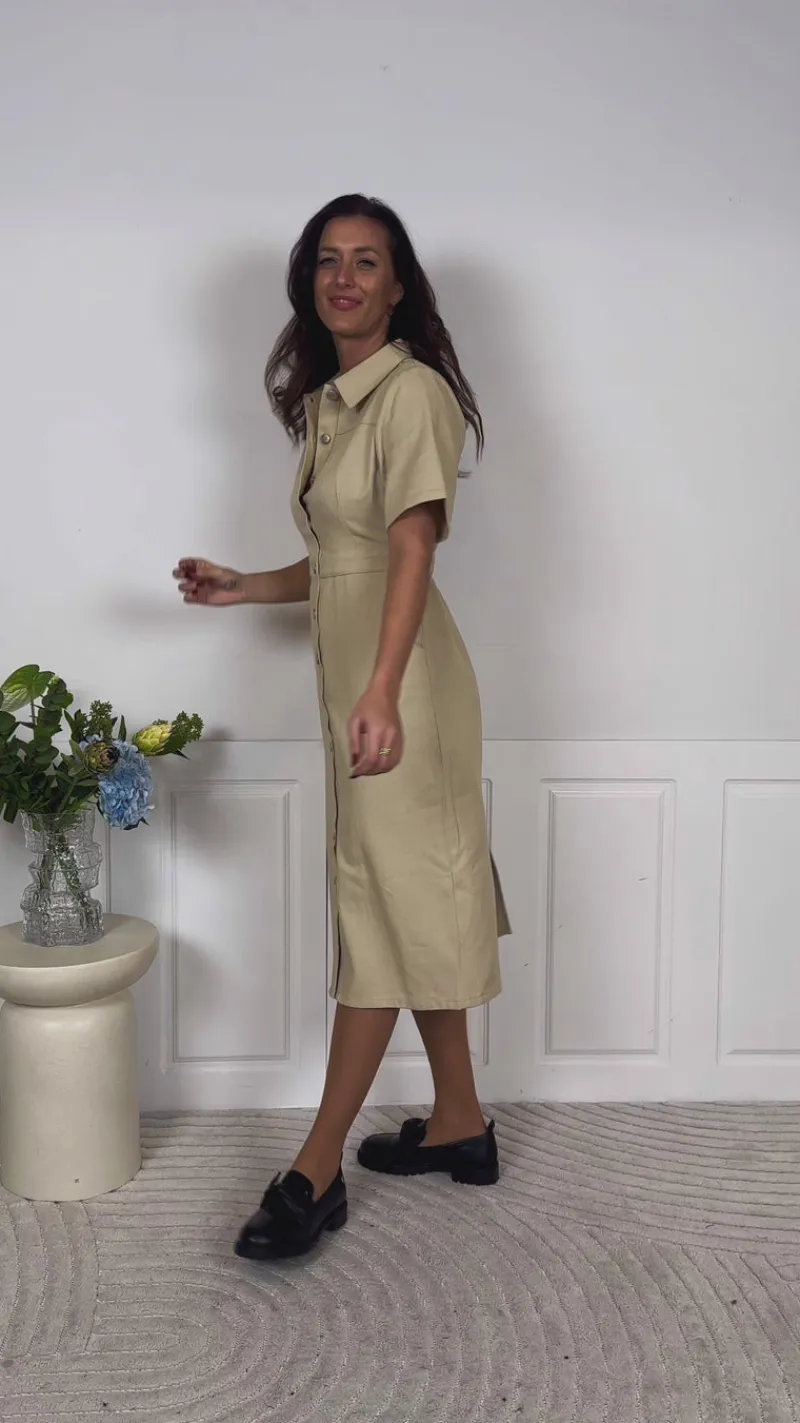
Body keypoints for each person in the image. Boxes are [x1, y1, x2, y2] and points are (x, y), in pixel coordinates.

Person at [173, 194, 511, 1262]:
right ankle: (459, 1122)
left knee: (377, 911)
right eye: (328, 260)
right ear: (309, 281)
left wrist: (382, 688)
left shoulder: (410, 392)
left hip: (400, 690)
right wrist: (242, 586)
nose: (345, 278)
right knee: (405, 897)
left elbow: (410, 549)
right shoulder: (333, 404)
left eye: (368, 261)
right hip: (369, 687)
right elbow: (340, 560)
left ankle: (312, 1171)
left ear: (398, 285)